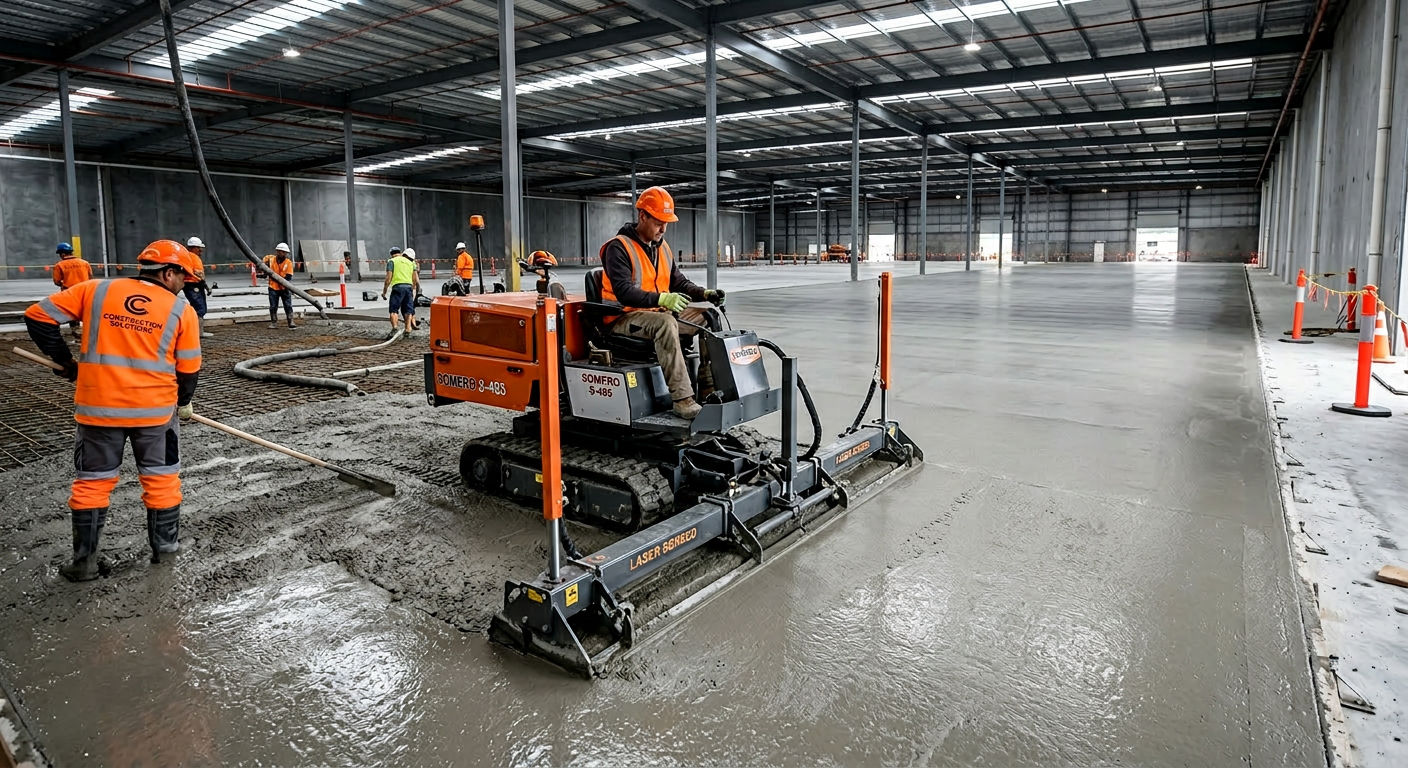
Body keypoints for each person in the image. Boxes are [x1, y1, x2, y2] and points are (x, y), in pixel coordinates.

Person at [24, 239, 202, 581]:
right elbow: (189, 369)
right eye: (184, 279)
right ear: (168, 273)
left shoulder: (96, 291)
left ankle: (83, 564)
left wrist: (65, 362)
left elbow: (38, 316)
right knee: (162, 482)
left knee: (92, 484)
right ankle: (165, 554)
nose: (185, 286)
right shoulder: (182, 312)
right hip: (155, 415)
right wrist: (183, 402)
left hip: (98, 410)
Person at [599, 186, 725, 419]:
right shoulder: (619, 247)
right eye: (658, 222)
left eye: (667, 222)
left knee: (708, 317)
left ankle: (708, 386)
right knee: (666, 323)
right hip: (623, 317)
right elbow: (625, 292)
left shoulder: (662, 248)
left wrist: (705, 294)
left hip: (656, 312)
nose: (664, 228)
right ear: (642, 216)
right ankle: (683, 400)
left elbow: (679, 282)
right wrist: (663, 298)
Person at [51, 242, 92, 340]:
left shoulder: (59, 265)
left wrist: (64, 283)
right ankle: (91, 334)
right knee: (87, 312)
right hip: (86, 292)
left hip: (70, 294)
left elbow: (57, 281)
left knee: (73, 314)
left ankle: (78, 335)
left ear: (63, 254)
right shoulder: (84, 263)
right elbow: (90, 277)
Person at [382, 246, 419, 334]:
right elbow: (415, 278)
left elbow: (388, 278)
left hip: (397, 287)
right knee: (408, 309)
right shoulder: (411, 263)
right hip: (408, 288)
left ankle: (395, 327)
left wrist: (384, 291)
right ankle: (408, 328)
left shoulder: (392, 261)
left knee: (394, 309)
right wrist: (413, 288)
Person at [183, 237, 213, 338]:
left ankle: (196, 331)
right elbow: (199, 275)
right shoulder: (193, 257)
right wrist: (206, 287)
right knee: (199, 308)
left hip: (192, 285)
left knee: (197, 307)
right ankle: (199, 333)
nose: (201, 250)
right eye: (199, 248)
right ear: (193, 248)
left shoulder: (186, 256)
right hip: (193, 285)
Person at [263, 243, 295, 329]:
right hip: (273, 287)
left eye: (283, 252)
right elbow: (263, 262)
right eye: (280, 251)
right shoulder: (271, 260)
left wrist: (281, 281)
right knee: (273, 306)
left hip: (284, 287)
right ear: (277, 251)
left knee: (288, 305)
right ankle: (273, 322)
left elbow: (289, 276)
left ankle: (290, 320)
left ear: (286, 253)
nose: (281, 253)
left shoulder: (288, 263)